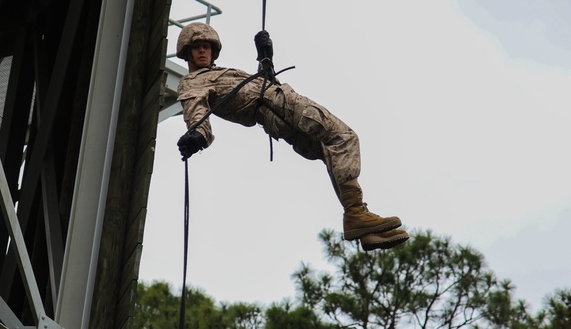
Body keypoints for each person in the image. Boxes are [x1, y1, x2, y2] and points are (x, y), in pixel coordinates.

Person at [174, 22, 408, 251]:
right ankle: (356, 214)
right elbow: (196, 111)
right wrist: (197, 135)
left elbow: (249, 91)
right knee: (344, 137)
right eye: (197, 47)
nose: (203, 50)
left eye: (207, 46)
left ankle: (364, 228)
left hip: (275, 108)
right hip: (279, 106)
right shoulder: (192, 83)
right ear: (187, 53)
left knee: (331, 151)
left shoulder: (219, 74)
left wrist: (265, 61)